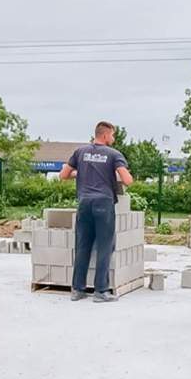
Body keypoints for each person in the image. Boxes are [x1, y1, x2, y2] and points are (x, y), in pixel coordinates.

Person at [60, 121, 133, 302]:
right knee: (104, 247)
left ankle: (77, 290)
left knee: (82, 246)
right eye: (113, 135)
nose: (113, 139)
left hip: (84, 204)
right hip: (104, 203)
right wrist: (112, 174)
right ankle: (101, 291)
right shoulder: (114, 154)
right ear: (105, 135)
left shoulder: (80, 152)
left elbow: (63, 176)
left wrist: (80, 173)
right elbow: (128, 180)